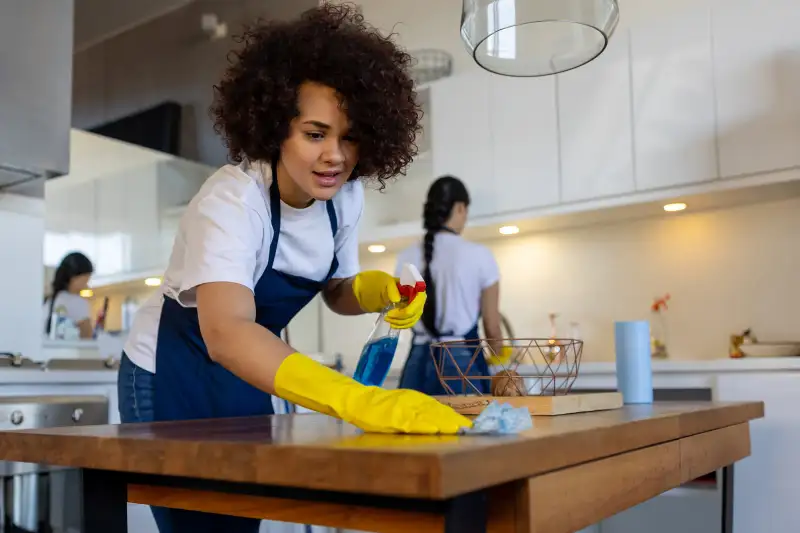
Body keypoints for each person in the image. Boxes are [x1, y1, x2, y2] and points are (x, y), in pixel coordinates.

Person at [117, 5, 471, 533]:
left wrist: (378, 291)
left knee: (242, 522)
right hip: (171, 372)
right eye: (315, 134)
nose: (335, 156)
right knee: (199, 525)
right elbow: (227, 331)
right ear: (275, 128)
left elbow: (336, 290)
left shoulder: (343, 198)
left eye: (349, 136)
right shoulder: (233, 201)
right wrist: (354, 399)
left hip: (246, 373)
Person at [395, 176, 512, 395]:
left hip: (417, 360)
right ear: (459, 208)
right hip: (462, 360)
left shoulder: (406, 257)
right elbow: (492, 326)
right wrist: (500, 369)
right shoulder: (479, 255)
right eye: (465, 211)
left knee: (412, 426)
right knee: (468, 427)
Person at [43, 252, 94, 339]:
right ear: (74, 278)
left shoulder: (49, 301)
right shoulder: (78, 302)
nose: (87, 285)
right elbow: (87, 337)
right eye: (86, 280)